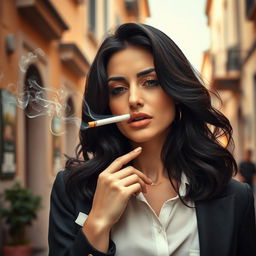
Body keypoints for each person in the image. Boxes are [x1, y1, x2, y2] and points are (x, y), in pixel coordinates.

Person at [48, 23, 256, 256]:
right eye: (118, 89)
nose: (134, 99)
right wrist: (97, 222)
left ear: (175, 90)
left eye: (150, 82)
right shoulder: (71, 190)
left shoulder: (235, 197)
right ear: (107, 105)